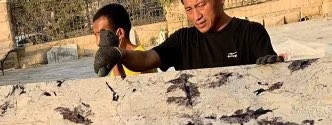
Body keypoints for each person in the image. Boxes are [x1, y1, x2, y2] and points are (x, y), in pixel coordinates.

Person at [94, 0, 283, 77]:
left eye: (201, 5)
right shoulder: (182, 40)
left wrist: (274, 68)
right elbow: (146, 58)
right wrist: (119, 53)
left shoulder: (251, 33)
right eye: (189, 9)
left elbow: (271, 77)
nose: (196, 16)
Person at [91, 4, 153, 77]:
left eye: (100, 33)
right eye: (95, 34)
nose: (97, 42)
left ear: (120, 33)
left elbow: (121, 83)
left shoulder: (142, 58)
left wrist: (113, 52)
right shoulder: (117, 59)